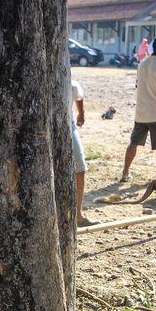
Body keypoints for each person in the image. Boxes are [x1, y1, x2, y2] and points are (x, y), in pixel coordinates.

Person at [119, 36, 156, 183]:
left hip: (141, 113)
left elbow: (139, 86)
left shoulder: (142, 64)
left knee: (133, 143)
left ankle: (125, 173)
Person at [70, 79, 98, 227]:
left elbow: (79, 96)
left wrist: (81, 113)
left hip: (68, 124)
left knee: (80, 169)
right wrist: (81, 113)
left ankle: (78, 215)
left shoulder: (72, 84)